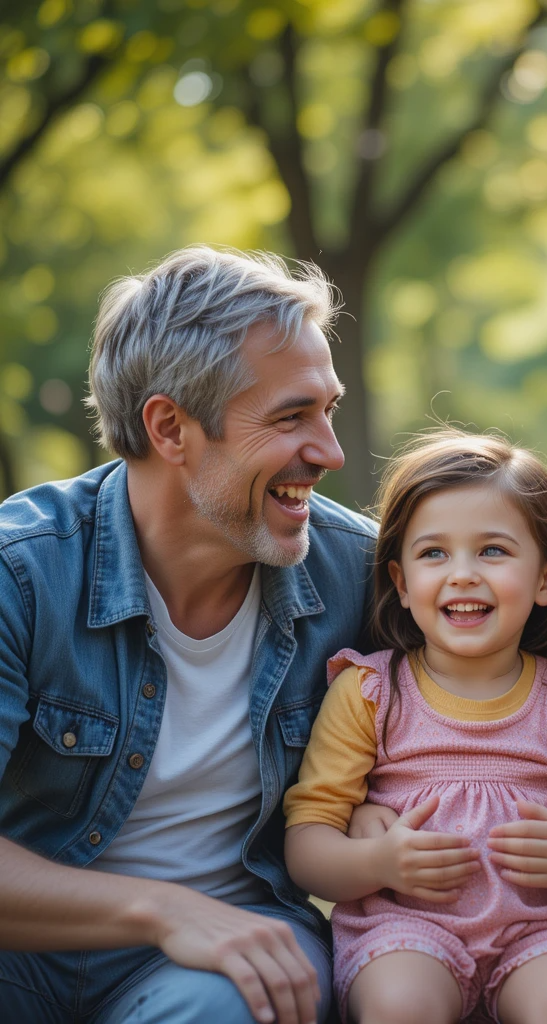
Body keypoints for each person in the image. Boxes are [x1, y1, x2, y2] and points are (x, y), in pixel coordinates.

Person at [0, 246, 377, 1024]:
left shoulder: (363, 574)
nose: (331, 454)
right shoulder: (21, 576)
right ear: (170, 427)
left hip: (230, 959)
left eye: (328, 410)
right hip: (22, 954)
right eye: (291, 417)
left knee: (233, 1004)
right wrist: (164, 910)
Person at [281, 431, 547, 1024]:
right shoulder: (370, 692)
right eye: (434, 554)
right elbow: (307, 844)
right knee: (400, 1006)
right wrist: (379, 863)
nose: (462, 575)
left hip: (546, 930)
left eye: (493, 551)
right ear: (401, 584)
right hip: (404, 927)